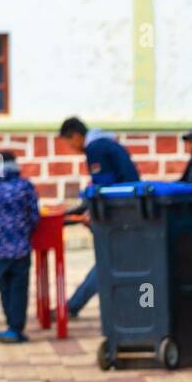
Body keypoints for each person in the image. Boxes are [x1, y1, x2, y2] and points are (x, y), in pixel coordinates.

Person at [58, 117, 139, 317]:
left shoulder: (95, 148)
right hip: (129, 208)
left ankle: (73, 307)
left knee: (107, 262)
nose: (70, 146)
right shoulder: (106, 143)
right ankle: (74, 306)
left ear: (76, 136)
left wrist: (90, 213)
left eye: (69, 141)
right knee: (113, 262)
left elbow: (104, 188)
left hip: (120, 214)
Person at [0, 151, 41, 344]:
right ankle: (16, 328)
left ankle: (11, 326)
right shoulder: (25, 186)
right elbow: (34, 216)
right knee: (19, 288)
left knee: (4, 286)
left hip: (0, 247)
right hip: (21, 247)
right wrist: (24, 231)